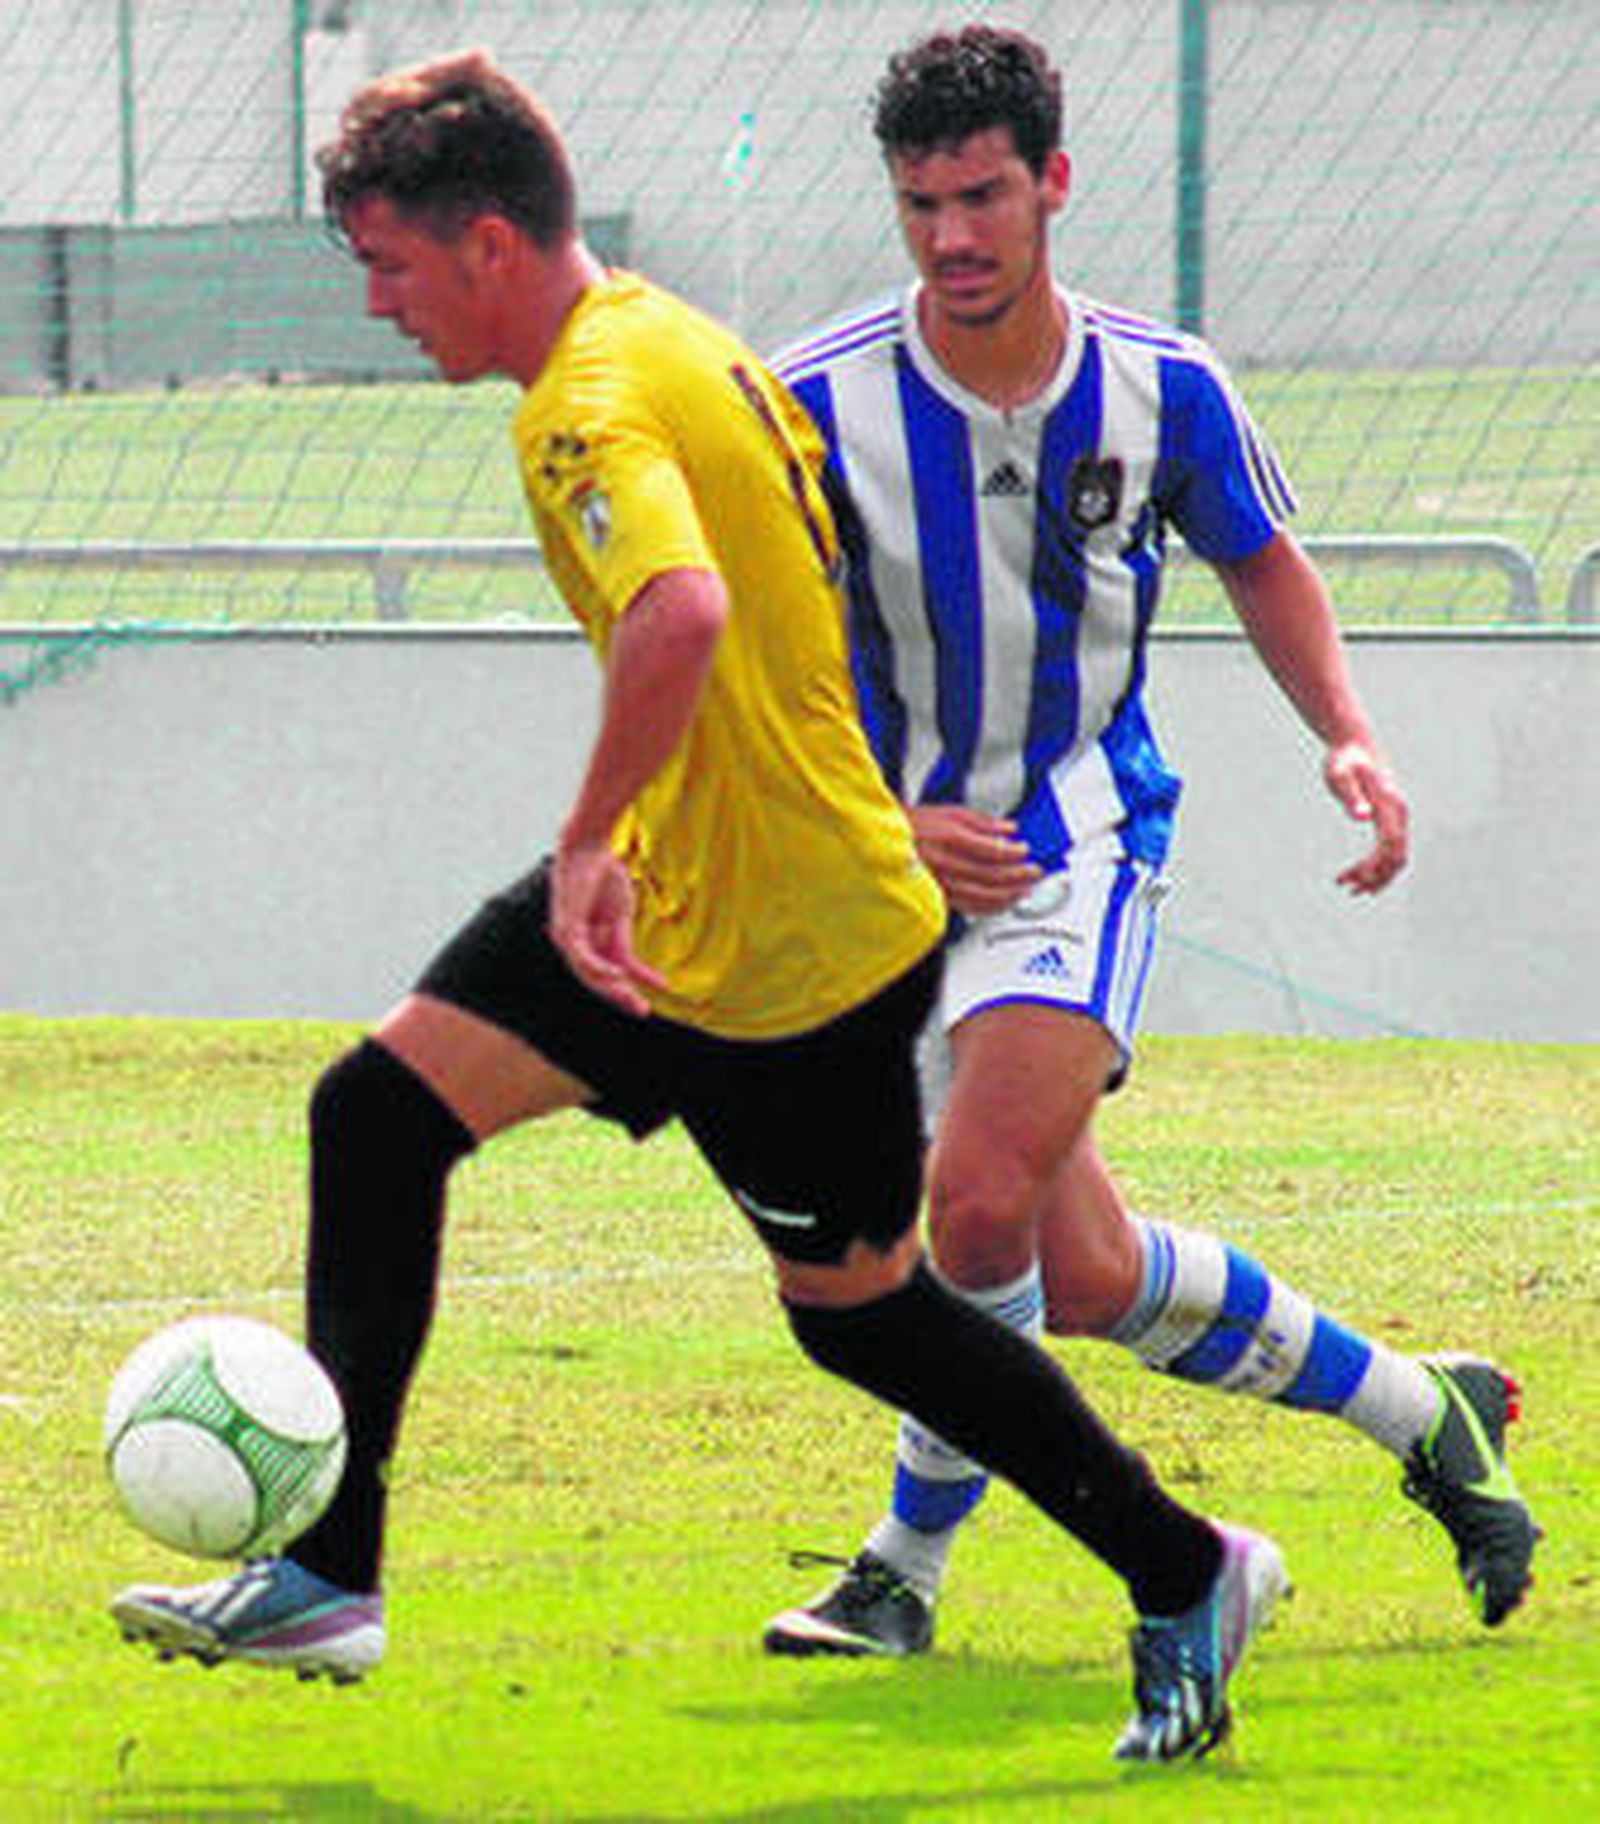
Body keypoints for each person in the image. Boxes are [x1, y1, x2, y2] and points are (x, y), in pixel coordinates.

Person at [109, 49, 1287, 1765]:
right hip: (684, 902)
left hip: (786, 955)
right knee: (374, 1116)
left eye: (386, 264)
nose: (378, 304)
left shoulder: (586, 400)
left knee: (868, 1317)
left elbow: (677, 615)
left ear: (489, 243)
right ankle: (329, 1574)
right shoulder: (668, 332)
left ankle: (1189, 1568)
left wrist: (588, 842)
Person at [760, 24, 1539, 1660]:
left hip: (1078, 841)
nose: (953, 237)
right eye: (920, 206)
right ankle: (1425, 1412)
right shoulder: (818, 402)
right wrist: (881, 818)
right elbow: (758, 654)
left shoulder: (1159, 385)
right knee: (1086, 1271)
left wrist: (1348, 732)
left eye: (982, 197)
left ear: (1053, 184)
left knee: (970, 1220)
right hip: (881, 871)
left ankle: (902, 1570)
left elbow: (1263, 560)